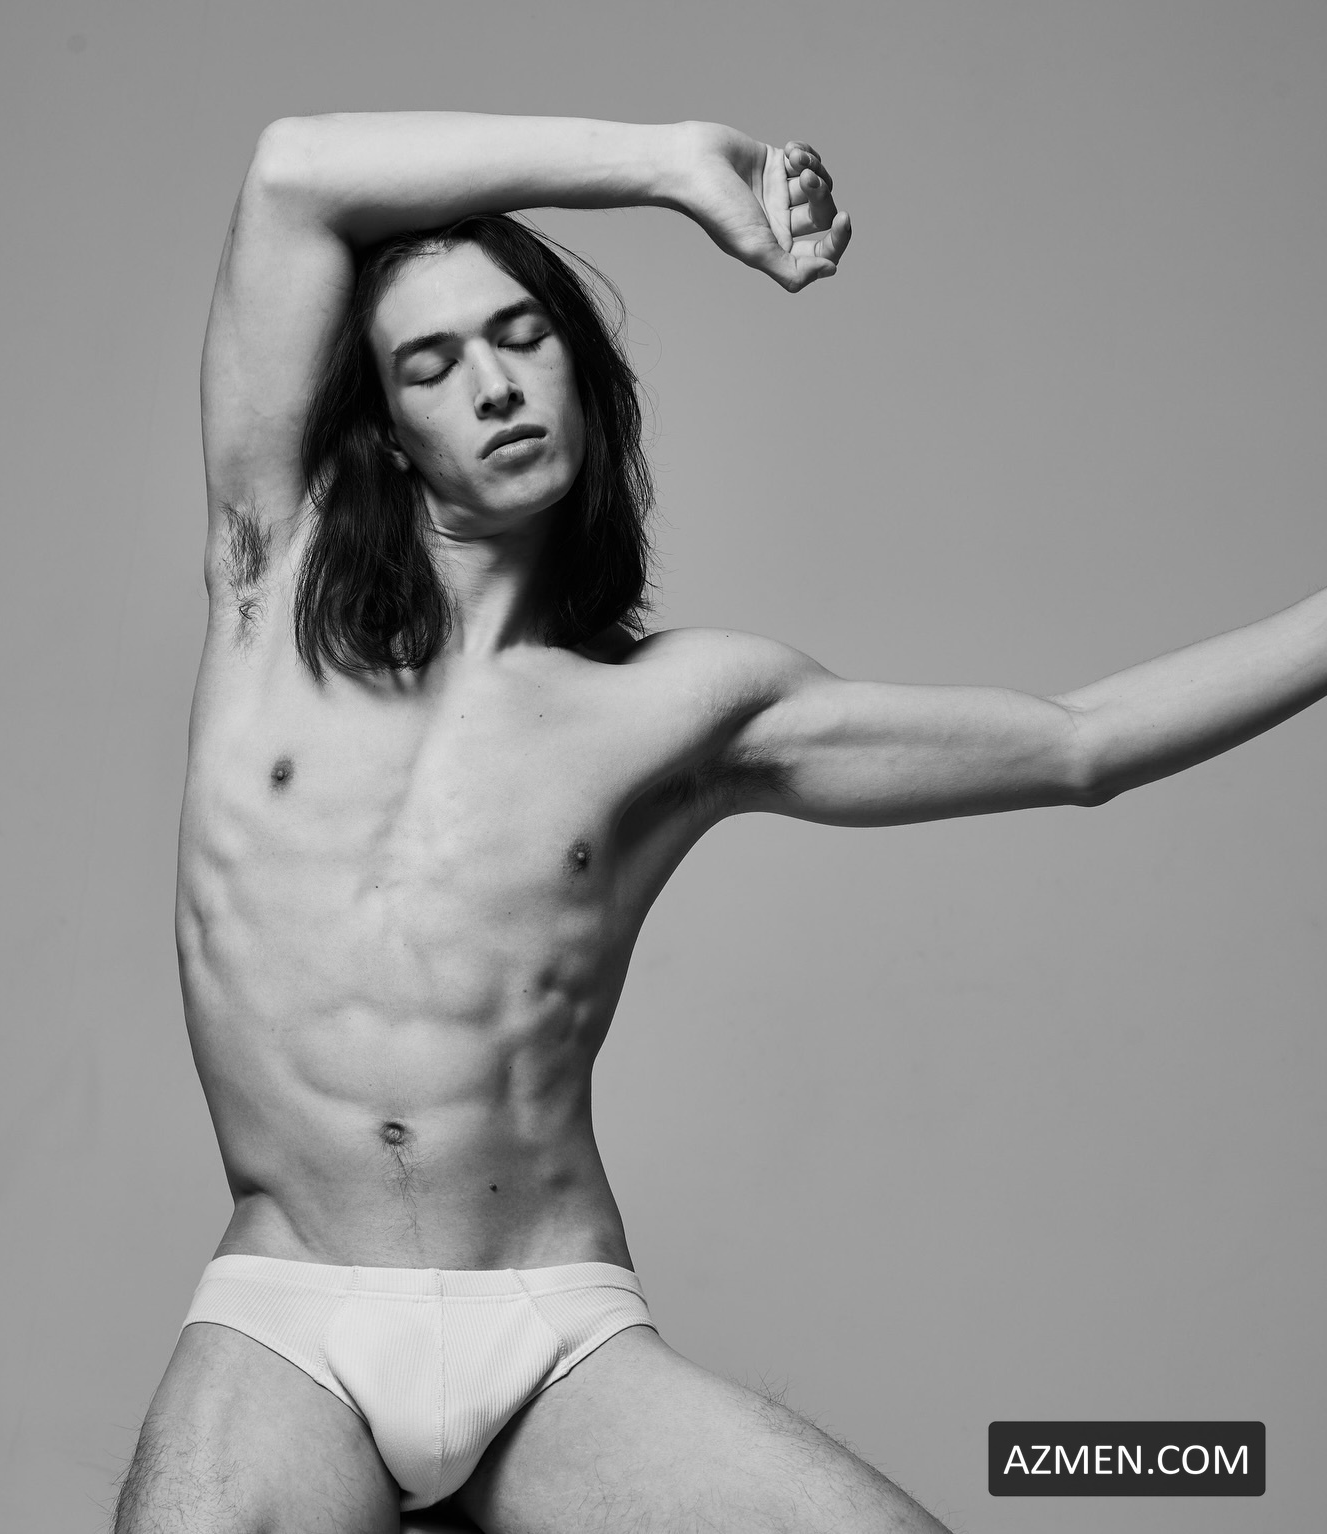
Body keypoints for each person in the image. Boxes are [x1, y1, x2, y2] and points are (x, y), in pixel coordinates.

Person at [113, 112, 1325, 1534]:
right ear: (387, 427)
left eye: (522, 336)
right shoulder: (271, 578)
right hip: (292, 1317)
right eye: (433, 365)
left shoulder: (685, 709)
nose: (494, 385)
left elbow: (1080, 743)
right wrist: (671, 166)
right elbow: (291, 173)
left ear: (582, 367)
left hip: (550, 1332)